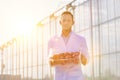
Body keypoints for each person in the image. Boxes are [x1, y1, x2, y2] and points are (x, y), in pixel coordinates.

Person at [48, 11, 89, 80]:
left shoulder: (81, 39)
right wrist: (55, 60)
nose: (66, 22)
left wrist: (82, 57)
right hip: (59, 77)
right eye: (64, 20)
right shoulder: (52, 41)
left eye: (69, 20)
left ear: (73, 22)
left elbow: (86, 61)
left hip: (76, 78)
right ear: (60, 22)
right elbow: (50, 62)